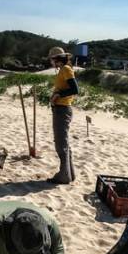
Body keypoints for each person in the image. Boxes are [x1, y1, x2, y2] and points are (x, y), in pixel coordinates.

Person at [45, 46, 79, 184]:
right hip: (61, 108)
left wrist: (58, 94)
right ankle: (69, 173)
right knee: (63, 142)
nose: (51, 62)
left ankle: (64, 175)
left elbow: (75, 89)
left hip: (62, 109)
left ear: (56, 59)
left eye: (52, 59)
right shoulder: (64, 69)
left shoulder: (66, 69)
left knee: (61, 143)